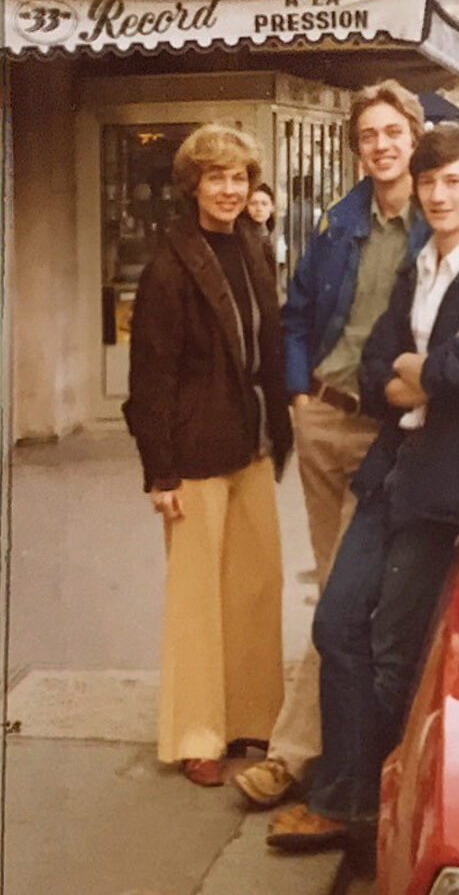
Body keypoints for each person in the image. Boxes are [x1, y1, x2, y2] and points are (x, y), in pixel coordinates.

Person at [233, 81, 459, 811]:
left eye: (393, 134)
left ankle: (321, 770)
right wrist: (299, 386)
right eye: (368, 135)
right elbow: (309, 315)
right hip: (338, 422)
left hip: (414, 454)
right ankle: (339, 776)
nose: (384, 147)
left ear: (415, 139)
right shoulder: (348, 225)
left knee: (368, 624)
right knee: (338, 610)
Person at [267, 126, 459, 849]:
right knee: (336, 625)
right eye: (429, 183)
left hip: (447, 484)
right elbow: (372, 367)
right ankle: (356, 794)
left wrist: (420, 371)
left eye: (453, 181)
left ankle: (360, 804)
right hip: (394, 466)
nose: (439, 194)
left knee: (394, 648)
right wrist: (418, 371)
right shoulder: (418, 263)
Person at [123, 123, 293, 788]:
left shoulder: (251, 244)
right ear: (193, 184)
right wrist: (159, 471)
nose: (229, 189)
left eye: (239, 178)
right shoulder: (169, 265)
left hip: (248, 440)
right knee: (197, 601)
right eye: (216, 177)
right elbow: (150, 377)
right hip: (192, 451)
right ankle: (197, 732)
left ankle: (251, 715)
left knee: (257, 586)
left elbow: (266, 341)